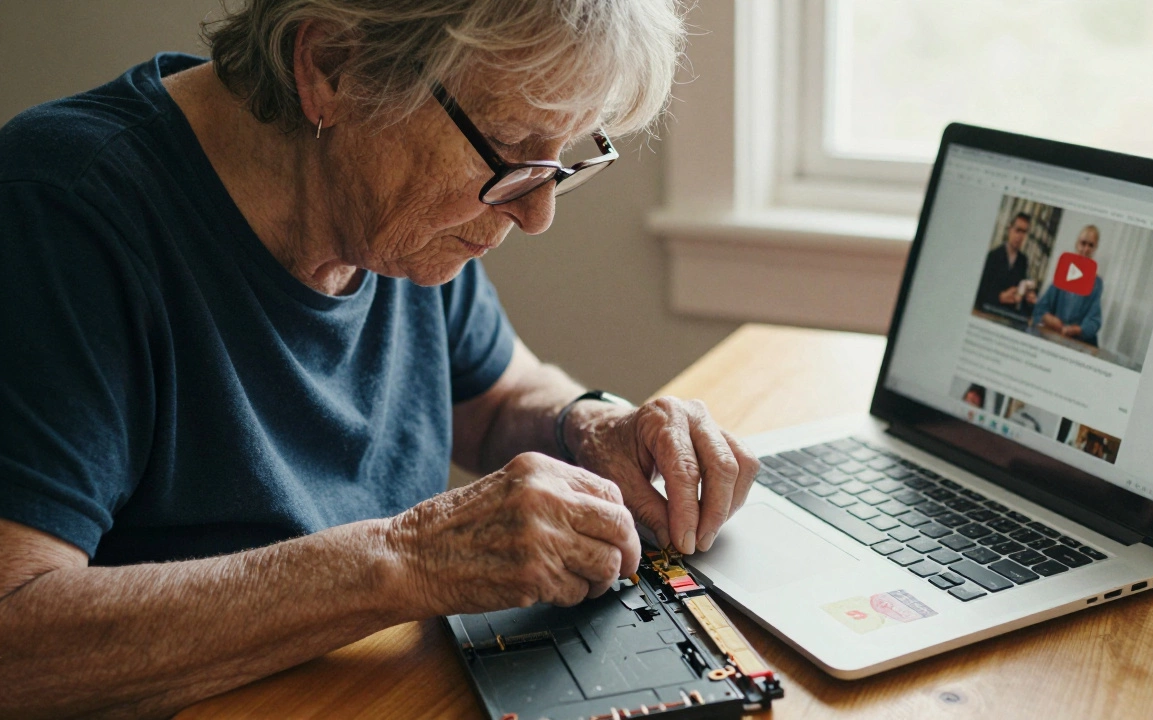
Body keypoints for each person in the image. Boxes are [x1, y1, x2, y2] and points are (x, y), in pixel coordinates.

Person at [0, 3, 760, 717]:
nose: (536, 213)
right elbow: (14, 639)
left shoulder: (388, 219)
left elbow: (496, 397)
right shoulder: (60, 212)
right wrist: (407, 560)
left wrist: (590, 426)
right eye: (508, 146)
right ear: (332, 67)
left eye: (560, 158)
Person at [1033, 225, 1104, 345]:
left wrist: (1078, 329)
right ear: (1077, 244)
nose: (1086, 249)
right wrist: (1049, 318)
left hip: (1078, 340)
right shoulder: (1063, 272)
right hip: (1055, 336)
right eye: (1083, 243)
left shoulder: (1096, 283)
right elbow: (1041, 307)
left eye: (1090, 245)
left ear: (1095, 248)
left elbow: (1094, 321)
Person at [974, 211, 1038, 318]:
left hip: (1009, 315)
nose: (1020, 236)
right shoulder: (992, 256)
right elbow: (978, 292)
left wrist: (1028, 298)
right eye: (1018, 230)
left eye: (1024, 232)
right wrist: (1000, 297)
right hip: (988, 313)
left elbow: (1020, 292)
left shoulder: (1023, 261)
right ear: (1010, 229)